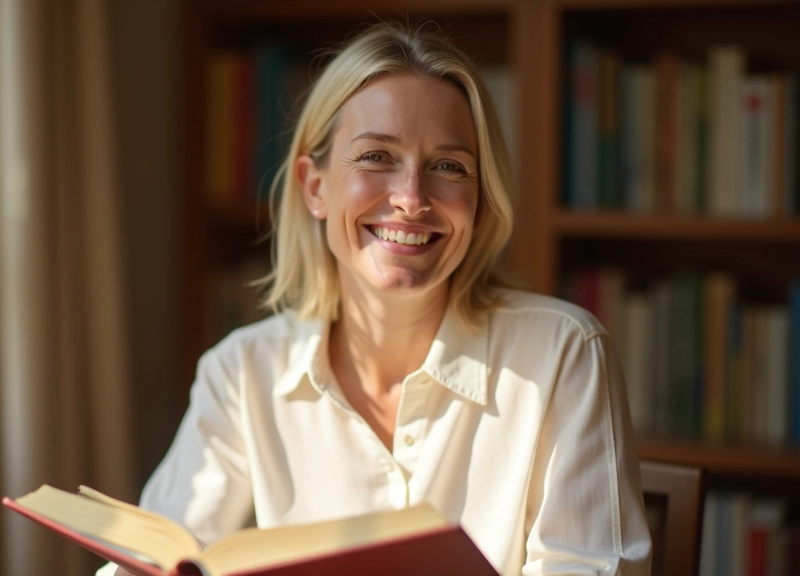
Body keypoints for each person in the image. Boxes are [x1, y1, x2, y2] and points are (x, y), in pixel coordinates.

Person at [101, 21, 651, 576]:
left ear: (481, 199)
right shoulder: (242, 372)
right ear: (315, 187)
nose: (411, 198)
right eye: (376, 157)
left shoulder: (563, 354)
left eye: (448, 167)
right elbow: (152, 559)